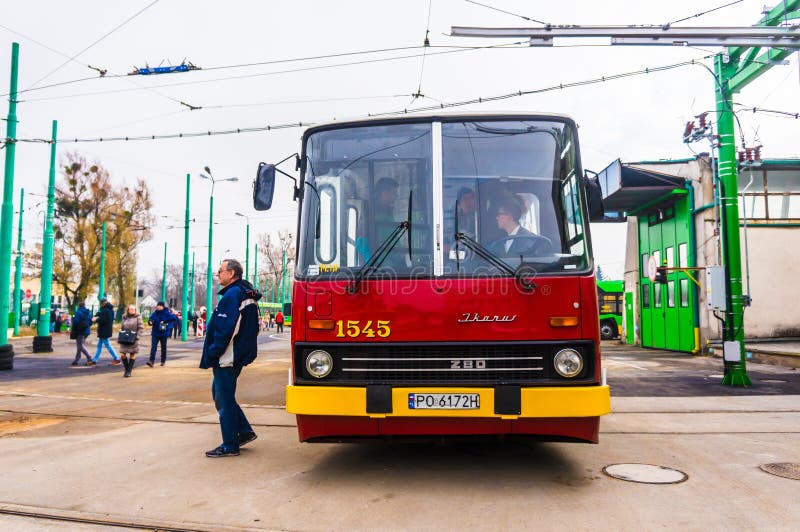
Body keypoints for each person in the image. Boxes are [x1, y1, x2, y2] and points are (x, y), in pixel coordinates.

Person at [200, 258, 262, 458]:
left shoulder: (233, 294)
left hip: (228, 355)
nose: (218, 274)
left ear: (232, 273)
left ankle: (230, 445)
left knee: (224, 399)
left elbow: (227, 328)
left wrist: (214, 351)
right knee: (219, 394)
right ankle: (243, 431)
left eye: (220, 271)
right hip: (235, 354)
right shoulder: (243, 292)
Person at [147, 301, 177, 367]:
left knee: (163, 347)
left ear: (163, 306)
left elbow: (174, 318)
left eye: (160, 306)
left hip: (164, 333)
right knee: (153, 347)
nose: (158, 307)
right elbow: (150, 319)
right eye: (158, 305)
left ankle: (163, 360)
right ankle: (151, 361)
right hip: (155, 333)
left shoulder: (166, 313)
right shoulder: (155, 313)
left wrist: (165, 320)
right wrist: (150, 322)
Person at [118, 304, 144, 378]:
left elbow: (141, 328)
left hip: (133, 338)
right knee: (123, 354)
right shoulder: (124, 317)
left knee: (132, 354)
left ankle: (128, 371)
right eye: (130, 309)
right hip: (124, 338)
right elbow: (122, 327)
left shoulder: (138, 317)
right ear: (128, 310)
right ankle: (127, 369)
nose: (132, 310)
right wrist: (120, 336)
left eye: (133, 309)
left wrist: (138, 336)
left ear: (135, 310)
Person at [92, 298, 121, 366]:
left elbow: (104, 319)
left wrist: (95, 319)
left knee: (107, 345)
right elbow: (103, 315)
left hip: (104, 331)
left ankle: (116, 358)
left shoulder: (105, 310)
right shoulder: (109, 310)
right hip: (105, 330)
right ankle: (94, 360)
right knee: (99, 345)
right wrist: (97, 315)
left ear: (102, 303)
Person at [70, 301, 93, 366]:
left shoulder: (78, 312)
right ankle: (76, 360)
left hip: (80, 331)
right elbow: (91, 322)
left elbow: (75, 322)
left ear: (79, 306)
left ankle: (89, 357)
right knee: (80, 345)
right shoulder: (89, 313)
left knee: (80, 345)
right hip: (87, 331)